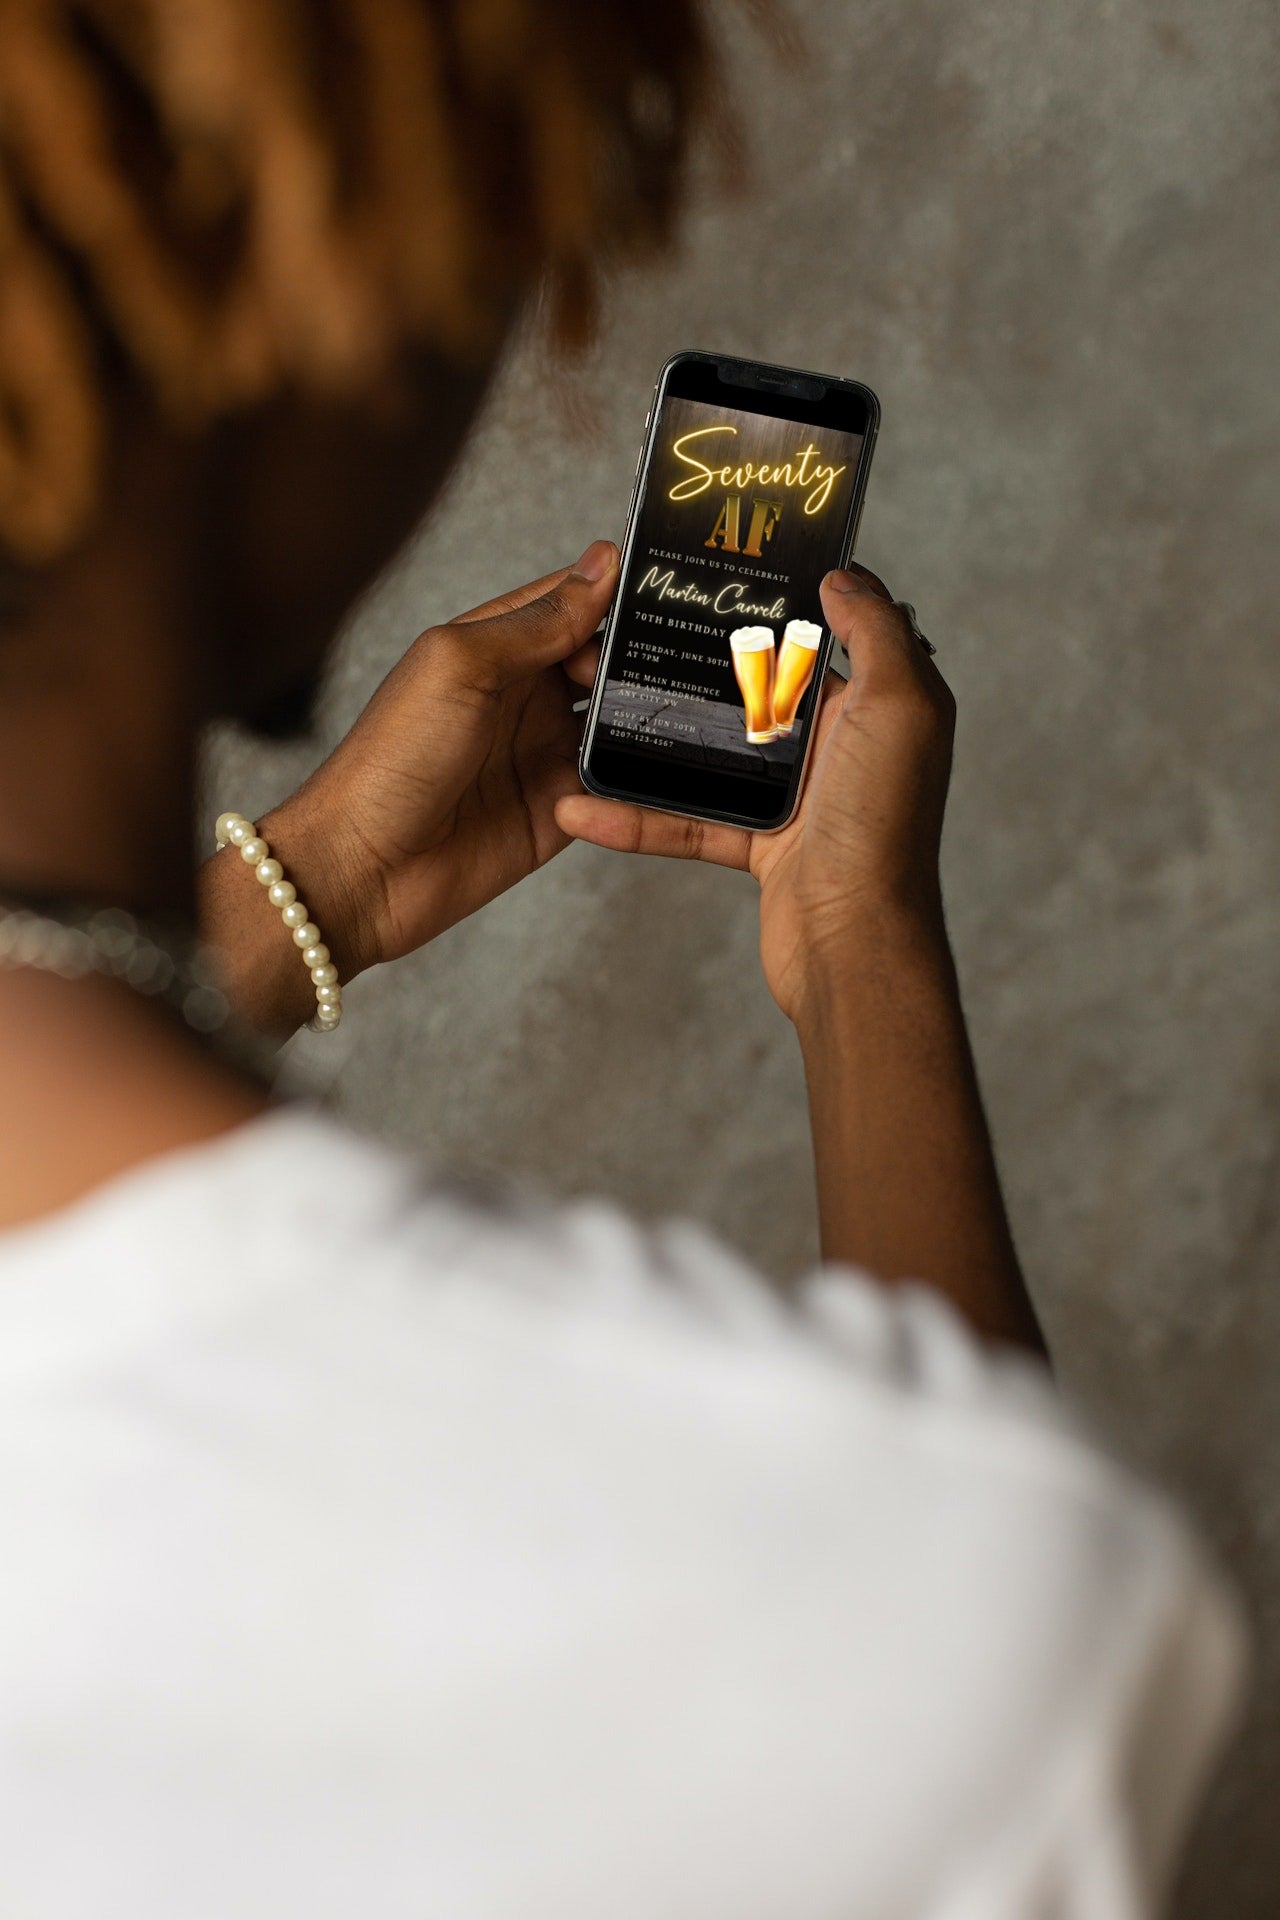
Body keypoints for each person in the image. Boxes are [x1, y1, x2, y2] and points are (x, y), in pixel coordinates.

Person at [0, 3, 1245, 1915]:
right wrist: (853, 947)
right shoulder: (942, 1609)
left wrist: (304, 889)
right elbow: (944, 1583)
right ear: (330, 299)